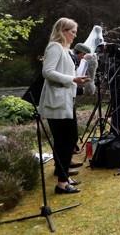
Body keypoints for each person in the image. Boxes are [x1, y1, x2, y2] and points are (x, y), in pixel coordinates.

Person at [38, 17, 89, 194]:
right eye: (72, 32)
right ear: (62, 31)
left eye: (75, 32)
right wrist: (72, 79)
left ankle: (63, 175)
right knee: (64, 140)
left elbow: (66, 74)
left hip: (66, 100)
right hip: (56, 102)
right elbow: (47, 72)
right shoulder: (55, 47)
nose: (75, 36)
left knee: (70, 138)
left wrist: (77, 81)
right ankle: (61, 183)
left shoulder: (66, 50)